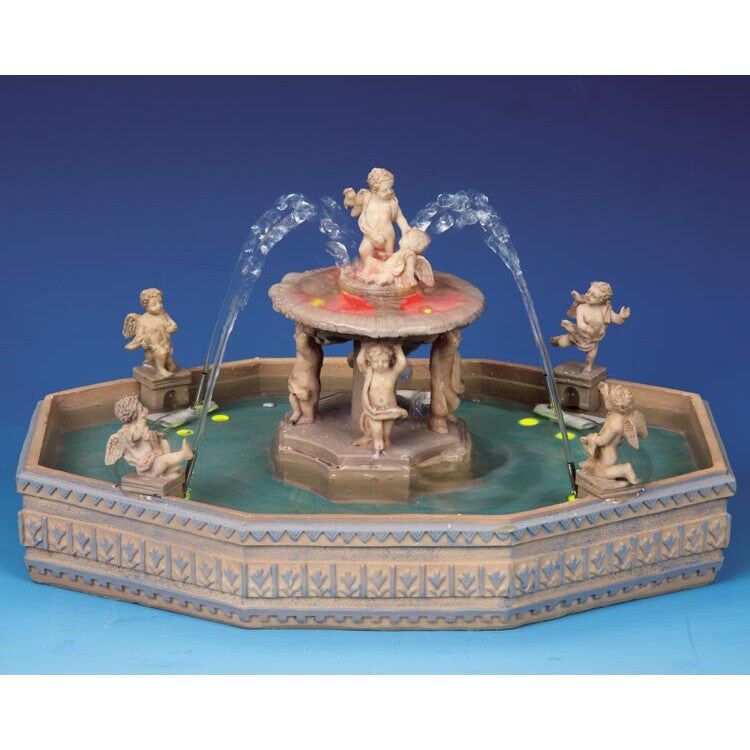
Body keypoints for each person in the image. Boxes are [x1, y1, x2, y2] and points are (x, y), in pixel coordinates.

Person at [105, 395, 193, 479]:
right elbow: (136, 436)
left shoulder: (139, 428)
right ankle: (184, 454)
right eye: (141, 408)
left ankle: (168, 470)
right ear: (134, 413)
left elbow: (145, 437)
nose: (144, 409)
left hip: (153, 461)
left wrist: (157, 437)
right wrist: (142, 419)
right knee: (162, 461)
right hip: (147, 469)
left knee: (164, 443)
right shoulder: (125, 432)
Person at [550, 281, 630, 372]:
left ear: (602, 300)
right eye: (588, 292)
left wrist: (622, 317)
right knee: (565, 342)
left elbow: (617, 320)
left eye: (594, 296)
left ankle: (588, 367)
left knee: (591, 353)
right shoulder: (582, 308)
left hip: (594, 337)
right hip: (579, 333)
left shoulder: (605, 310)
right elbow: (580, 324)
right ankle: (555, 341)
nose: (588, 296)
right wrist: (587, 329)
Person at [343, 167, 411, 265]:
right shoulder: (367, 198)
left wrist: (405, 228)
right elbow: (355, 212)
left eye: (390, 188)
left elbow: (399, 217)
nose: (389, 192)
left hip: (388, 236)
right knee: (363, 250)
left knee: (389, 257)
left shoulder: (391, 203)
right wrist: (350, 198)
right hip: (370, 235)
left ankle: (387, 270)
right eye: (384, 190)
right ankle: (371, 269)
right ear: (374, 190)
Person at [354, 341, 408, 453]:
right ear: (369, 361)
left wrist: (398, 348)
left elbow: (402, 363)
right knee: (377, 433)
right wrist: (363, 347)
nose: (380, 364)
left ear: (390, 360)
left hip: (390, 408)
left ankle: (385, 447)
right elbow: (360, 362)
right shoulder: (369, 374)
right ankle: (376, 444)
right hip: (374, 410)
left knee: (386, 434)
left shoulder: (392, 373)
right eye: (376, 361)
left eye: (384, 361)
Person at [122, 288, 180, 378]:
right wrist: (143, 341)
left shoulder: (164, 315)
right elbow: (139, 335)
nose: (159, 306)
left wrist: (172, 328)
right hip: (152, 349)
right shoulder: (142, 320)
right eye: (154, 304)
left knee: (172, 367)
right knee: (161, 352)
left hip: (167, 347)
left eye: (160, 302)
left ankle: (167, 363)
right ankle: (161, 369)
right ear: (146, 305)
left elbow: (174, 325)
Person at [288, 324, 323, 424]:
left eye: (297, 333)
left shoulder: (310, 353)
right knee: (292, 397)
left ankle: (309, 417)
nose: (294, 336)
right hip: (298, 382)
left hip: (306, 384)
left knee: (307, 403)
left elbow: (301, 343)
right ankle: (298, 411)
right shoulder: (311, 349)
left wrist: (303, 334)